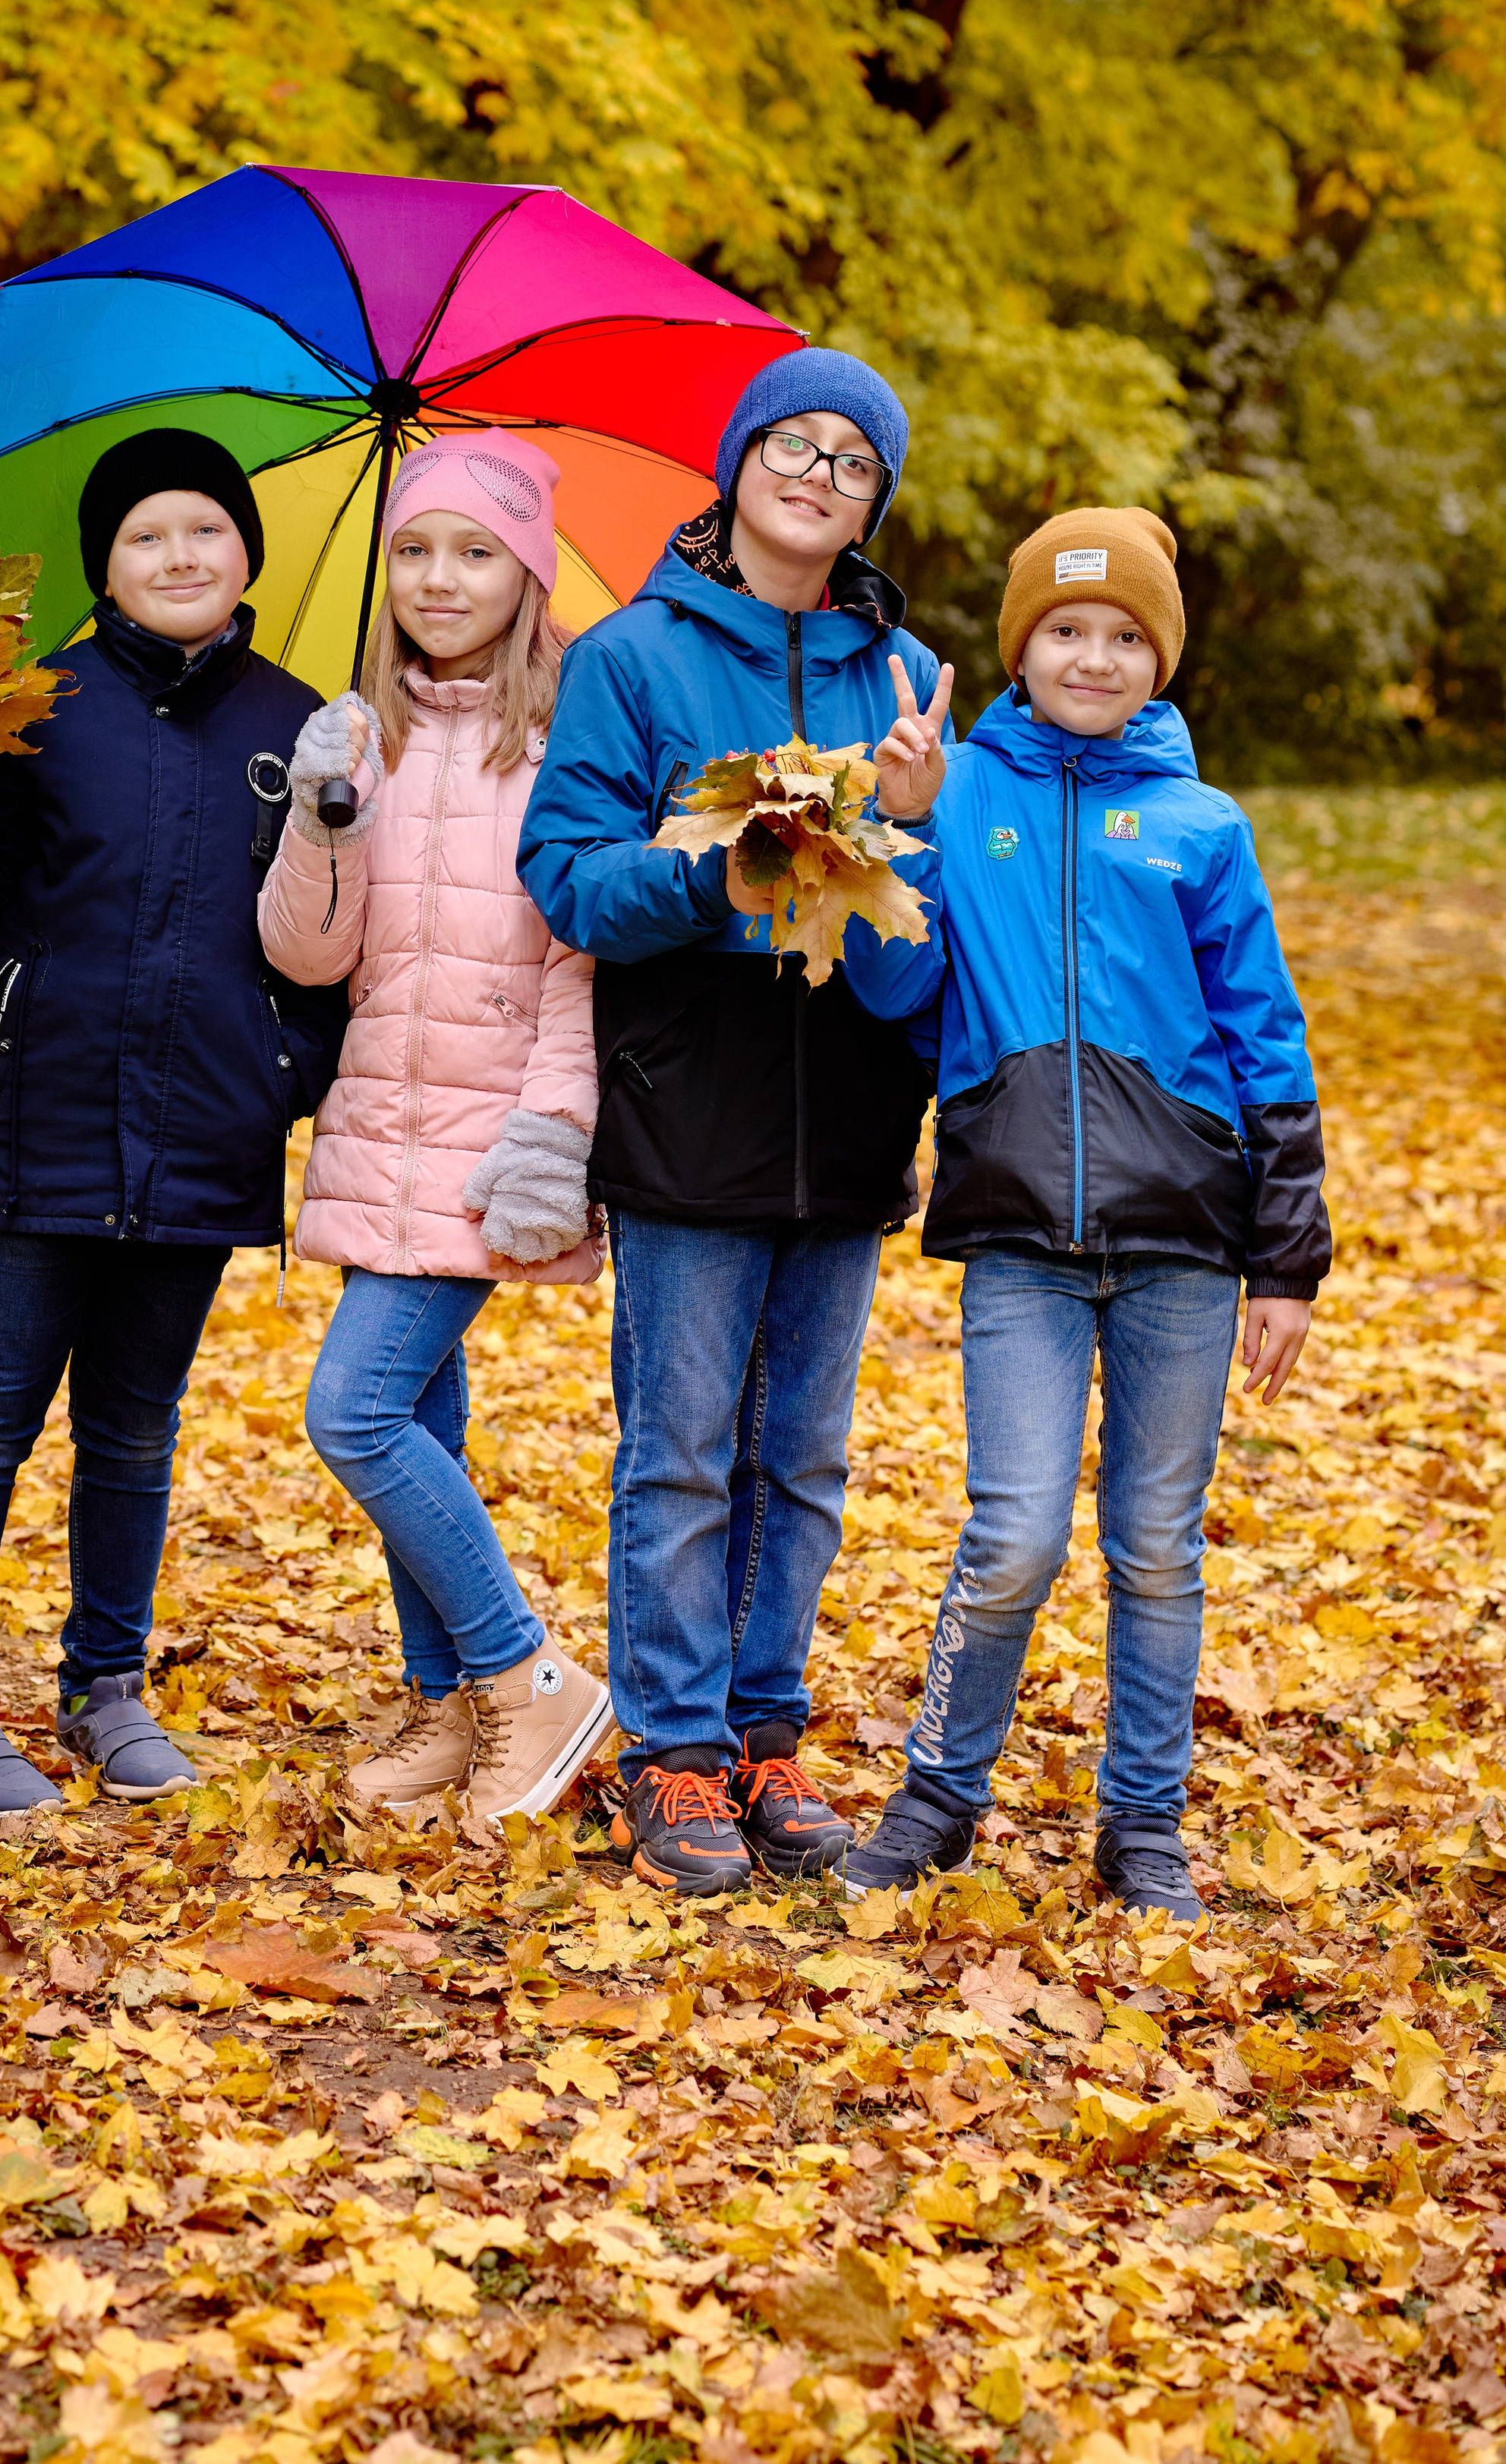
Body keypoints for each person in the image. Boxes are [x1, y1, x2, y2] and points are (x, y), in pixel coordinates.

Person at [844, 507, 1331, 1921]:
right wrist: (907, 829)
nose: (1095, 656)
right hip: (1019, 1246)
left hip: (1187, 1243)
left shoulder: (1200, 825)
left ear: (1161, 661)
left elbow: (1267, 1036)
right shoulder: (962, 793)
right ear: (1021, 646)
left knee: (1159, 1546)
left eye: (1127, 636)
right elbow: (893, 997)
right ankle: (940, 1794)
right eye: (1067, 629)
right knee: (1013, 1539)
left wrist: (1286, 1255)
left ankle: (1144, 1825)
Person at [515, 348, 954, 1895]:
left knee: (804, 1459)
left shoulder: (897, 676)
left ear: (870, 502)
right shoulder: (628, 658)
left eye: (853, 461)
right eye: (796, 445)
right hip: (685, 1100)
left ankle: (767, 1736)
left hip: (843, 1112)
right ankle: (675, 1753)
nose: (819, 476)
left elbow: (925, 918)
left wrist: (913, 813)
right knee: (684, 1450)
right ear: (736, 459)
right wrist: (721, 870)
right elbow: (563, 873)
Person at [0, 428, 347, 1815]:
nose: (181, 555)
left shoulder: (300, 725)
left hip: (208, 1118)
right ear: (106, 568)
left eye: (206, 528)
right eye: (148, 537)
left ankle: (105, 1685)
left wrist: (282, 1067)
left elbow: (328, 934)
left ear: (246, 552)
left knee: (135, 1429)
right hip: (40, 1111)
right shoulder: (25, 702)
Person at [258, 428, 613, 1829]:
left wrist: (554, 1138)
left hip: (485, 1147)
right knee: (418, 1419)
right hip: (376, 1125)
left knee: (350, 1412)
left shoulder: (568, 746)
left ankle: (529, 1679)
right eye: (415, 549)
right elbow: (307, 958)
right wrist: (326, 815)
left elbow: (582, 967)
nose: (439, 578)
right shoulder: (363, 737)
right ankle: (451, 1708)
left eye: (475, 551)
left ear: (525, 575)